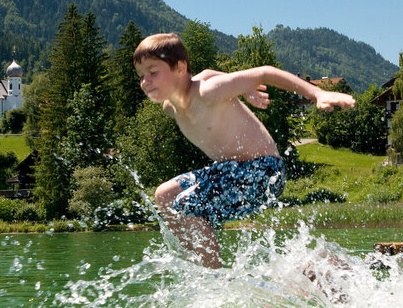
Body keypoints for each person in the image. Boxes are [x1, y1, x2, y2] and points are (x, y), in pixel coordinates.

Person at [133, 32, 356, 268]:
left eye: (153, 72)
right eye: (141, 76)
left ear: (180, 68)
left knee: (187, 204)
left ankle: (213, 274)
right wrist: (244, 89)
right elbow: (208, 72)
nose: (145, 81)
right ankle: (201, 264)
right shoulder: (171, 107)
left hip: (263, 171)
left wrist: (317, 93)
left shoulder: (208, 92)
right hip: (232, 171)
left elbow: (264, 72)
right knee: (164, 196)